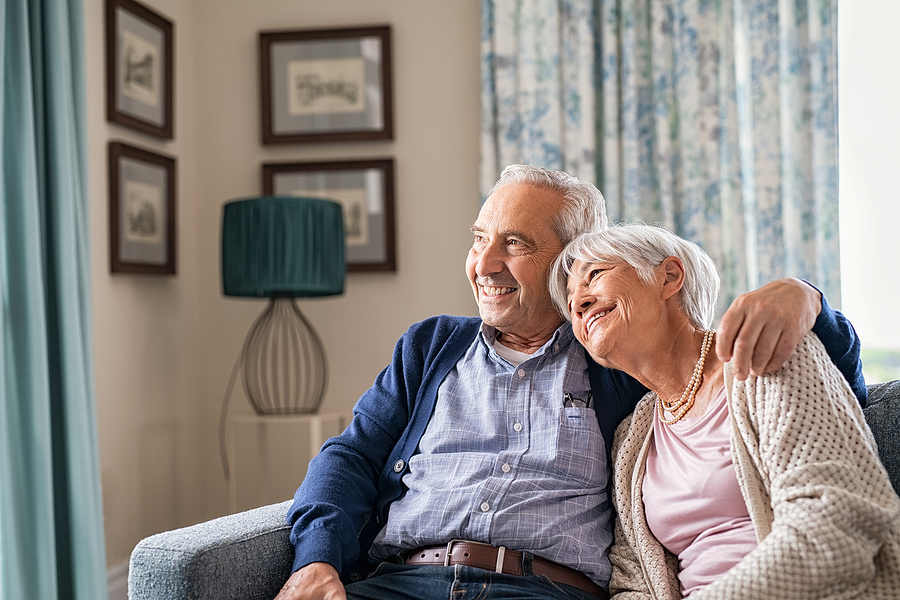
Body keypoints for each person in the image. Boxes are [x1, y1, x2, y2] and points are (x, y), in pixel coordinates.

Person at [275, 165, 865, 600]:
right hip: (400, 585)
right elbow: (349, 458)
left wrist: (805, 296)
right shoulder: (430, 347)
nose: (483, 264)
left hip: (543, 592)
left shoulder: (618, 362)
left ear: (570, 260)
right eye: (480, 237)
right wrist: (317, 559)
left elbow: (778, 373)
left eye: (515, 244)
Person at [554, 223, 899, 599]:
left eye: (595, 275)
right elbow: (631, 582)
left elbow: (833, 527)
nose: (578, 302)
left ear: (669, 278)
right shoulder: (631, 441)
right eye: (571, 300)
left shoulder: (769, 359)